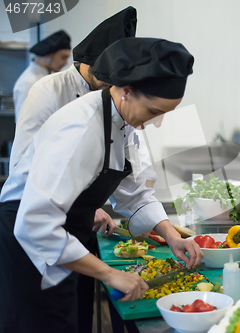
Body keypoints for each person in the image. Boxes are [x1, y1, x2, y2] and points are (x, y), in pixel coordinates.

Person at [0, 37, 203, 332]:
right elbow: (36, 224)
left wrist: (172, 236)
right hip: (29, 246)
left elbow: (135, 194)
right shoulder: (81, 128)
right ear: (127, 91)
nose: (155, 124)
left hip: (66, 235)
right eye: (154, 112)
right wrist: (109, 274)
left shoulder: (121, 119)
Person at [9, 8, 141, 332]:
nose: (112, 87)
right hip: (28, 221)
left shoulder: (111, 100)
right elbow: (24, 166)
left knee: (78, 314)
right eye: (107, 78)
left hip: (74, 227)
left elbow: (124, 170)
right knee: (42, 320)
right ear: (88, 63)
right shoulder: (47, 91)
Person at [13, 30, 71, 121]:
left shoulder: (47, 77)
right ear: (48, 54)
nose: (66, 63)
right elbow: (25, 124)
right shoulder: (29, 82)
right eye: (63, 57)